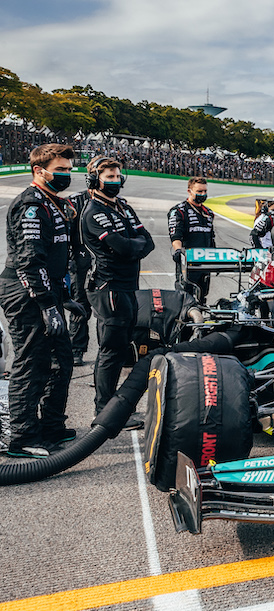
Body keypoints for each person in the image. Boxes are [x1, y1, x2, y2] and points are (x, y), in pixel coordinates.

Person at [0, 143, 77, 456]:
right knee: (32, 361)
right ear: (38, 170)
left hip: (48, 289)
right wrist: (47, 305)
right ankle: (22, 435)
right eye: (60, 170)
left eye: (69, 170)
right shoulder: (31, 204)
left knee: (62, 359)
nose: (66, 175)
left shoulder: (53, 203)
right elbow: (29, 261)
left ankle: (51, 425)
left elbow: (60, 254)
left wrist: (65, 297)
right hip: (24, 290)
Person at [81, 157, 155, 427]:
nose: (114, 181)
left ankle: (112, 408)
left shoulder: (123, 207)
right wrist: (132, 245)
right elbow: (125, 248)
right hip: (108, 287)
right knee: (111, 350)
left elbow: (146, 242)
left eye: (117, 176)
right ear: (94, 180)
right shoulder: (94, 212)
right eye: (109, 176)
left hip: (127, 286)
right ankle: (104, 411)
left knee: (123, 348)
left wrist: (132, 244)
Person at [64, 158, 100, 367]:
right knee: (80, 307)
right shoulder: (74, 201)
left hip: (107, 266)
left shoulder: (120, 204)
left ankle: (113, 348)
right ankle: (76, 349)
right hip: (80, 263)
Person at [168, 176, 216, 303]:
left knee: (202, 296)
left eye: (205, 191)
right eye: (199, 191)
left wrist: (216, 259)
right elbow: (175, 235)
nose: (203, 194)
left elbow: (211, 238)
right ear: (189, 191)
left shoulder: (208, 213)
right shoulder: (178, 211)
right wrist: (178, 251)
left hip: (205, 262)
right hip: (188, 262)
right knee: (184, 297)